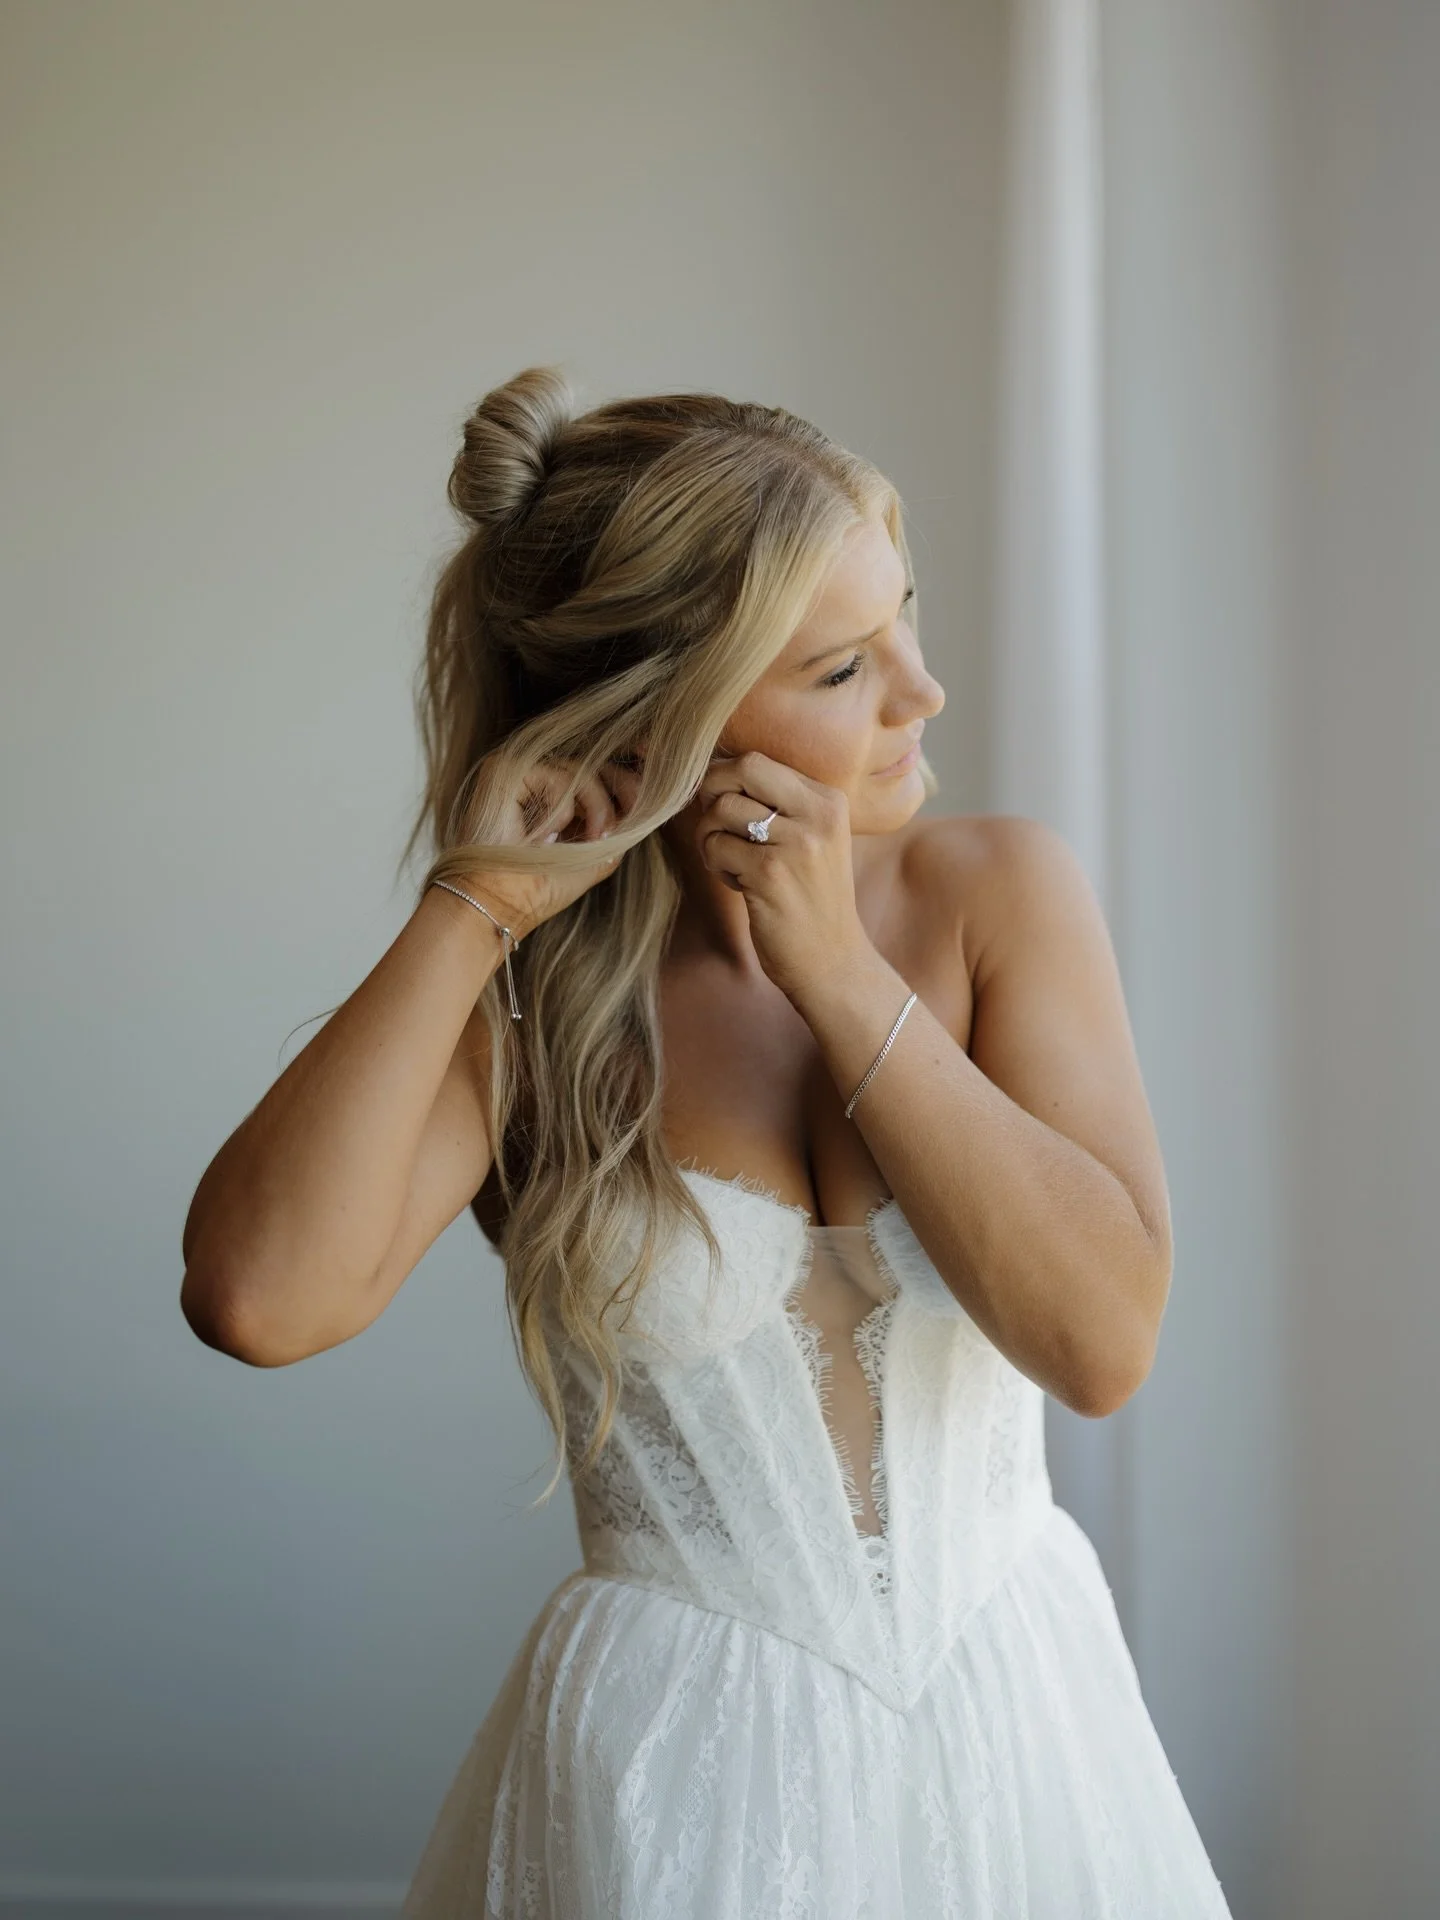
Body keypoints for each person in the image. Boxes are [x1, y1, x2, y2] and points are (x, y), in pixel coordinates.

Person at [180, 366, 1233, 1917]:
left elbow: (1099, 1343)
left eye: (908, 621)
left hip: (1023, 1721)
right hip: (678, 1766)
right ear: (670, 708)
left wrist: (836, 970)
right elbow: (259, 1300)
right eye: (843, 670)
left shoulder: (998, 894)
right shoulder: (533, 1007)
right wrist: (469, 908)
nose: (923, 694)